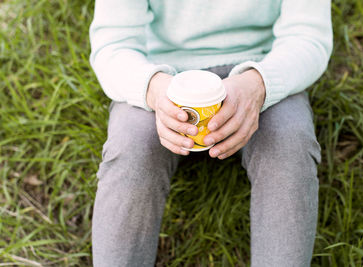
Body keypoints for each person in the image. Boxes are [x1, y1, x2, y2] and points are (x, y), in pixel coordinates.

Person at [89, 0, 333, 266]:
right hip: (163, 74)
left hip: (263, 67)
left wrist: (259, 83)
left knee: (289, 144)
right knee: (131, 145)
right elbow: (113, 44)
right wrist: (153, 88)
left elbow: (308, 36)